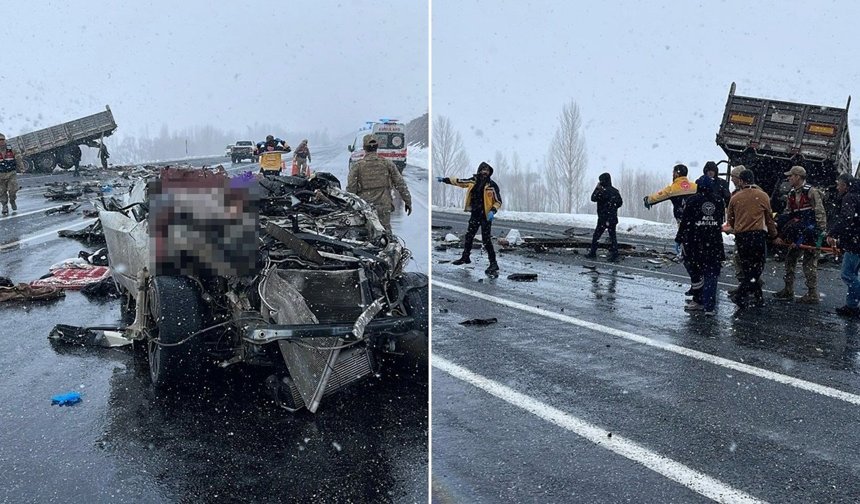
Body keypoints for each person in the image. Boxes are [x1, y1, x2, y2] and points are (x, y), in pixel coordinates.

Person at [772, 165, 827, 304]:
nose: (789, 178)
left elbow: (820, 213)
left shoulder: (812, 192)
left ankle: (812, 293)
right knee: (790, 260)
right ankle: (788, 289)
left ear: (798, 177)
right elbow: (788, 213)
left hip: (811, 233)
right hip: (798, 232)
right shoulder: (791, 193)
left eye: (791, 176)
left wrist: (821, 234)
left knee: (809, 264)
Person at [437, 161, 502, 275]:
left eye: (487, 170)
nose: (484, 172)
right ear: (479, 170)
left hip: (486, 216)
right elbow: (459, 182)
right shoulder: (473, 181)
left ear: (490, 172)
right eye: (483, 170)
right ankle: (465, 257)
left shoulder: (492, 185)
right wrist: (445, 180)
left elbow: (498, 201)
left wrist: (493, 211)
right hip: (475, 213)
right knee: (469, 236)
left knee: (486, 240)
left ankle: (493, 263)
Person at [725, 169, 778, 308]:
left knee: (748, 268)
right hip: (757, 236)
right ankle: (742, 295)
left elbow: (730, 219)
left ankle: (757, 297)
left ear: (741, 181)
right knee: (757, 268)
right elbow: (769, 219)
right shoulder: (763, 196)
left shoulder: (735, 197)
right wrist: (774, 235)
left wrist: (738, 224)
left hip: (742, 237)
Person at [675, 175, 725, 315]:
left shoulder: (692, 201)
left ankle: (698, 300)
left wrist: (679, 239)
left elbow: (685, 223)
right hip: (714, 243)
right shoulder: (718, 200)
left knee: (696, 272)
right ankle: (709, 306)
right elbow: (720, 220)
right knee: (711, 274)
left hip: (695, 243)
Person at [347, 134, 412, 233]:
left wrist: (351, 207)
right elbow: (400, 184)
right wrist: (408, 201)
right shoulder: (387, 164)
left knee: (365, 234)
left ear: (364, 148)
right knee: (386, 233)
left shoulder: (357, 166)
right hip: (384, 206)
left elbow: (351, 189)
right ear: (377, 147)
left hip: (365, 207)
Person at [826, 173, 860, 317]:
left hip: (855, 242)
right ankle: (852, 304)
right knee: (852, 273)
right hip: (856, 240)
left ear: (845, 186)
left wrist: (832, 233)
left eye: (839, 184)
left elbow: (846, 218)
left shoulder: (850, 198)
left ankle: (852, 305)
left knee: (848, 274)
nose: (837, 187)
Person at [586, 172, 623, 261]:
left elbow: (593, 198)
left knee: (596, 236)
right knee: (613, 237)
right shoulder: (615, 191)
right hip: (612, 218)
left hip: (603, 218)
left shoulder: (601, 191)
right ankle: (614, 254)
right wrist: (613, 208)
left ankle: (593, 252)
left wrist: (597, 188)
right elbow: (620, 203)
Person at [0, 133, 23, 216]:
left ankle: (12, 200)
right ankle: (4, 206)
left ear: (5, 140)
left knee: (12, 189)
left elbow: (18, 157)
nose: (1, 142)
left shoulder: (11, 149)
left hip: (11, 173)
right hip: (0, 174)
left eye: (2, 140)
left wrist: (21, 167)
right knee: (1, 192)